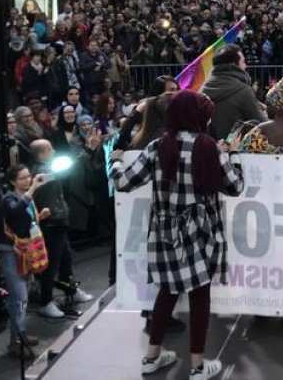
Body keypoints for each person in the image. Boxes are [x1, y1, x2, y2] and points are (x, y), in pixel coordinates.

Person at [109, 90, 244, 379]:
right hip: (201, 230)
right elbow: (235, 186)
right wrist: (233, 154)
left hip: (165, 231)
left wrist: (116, 160)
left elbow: (122, 182)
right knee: (199, 293)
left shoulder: (159, 146)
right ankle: (197, 365)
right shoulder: (209, 147)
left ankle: (152, 356)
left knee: (167, 290)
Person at [28, 140, 92, 318]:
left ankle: (71, 291)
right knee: (51, 264)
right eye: (50, 149)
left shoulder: (48, 170)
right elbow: (61, 171)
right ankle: (46, 301)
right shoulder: (40, 174)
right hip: (51, 223)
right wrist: (85, 150)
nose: (54, 151)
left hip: (60, 220)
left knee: (65, 260)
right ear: (41, 155)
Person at [0, 164, 47, 359]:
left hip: (26, 251)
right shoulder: (8, 199)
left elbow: (24, 221)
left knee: (22, 297)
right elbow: (15, 212)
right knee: (19, 298)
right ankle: (15, 341)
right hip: (11, 251)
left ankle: (20, 335)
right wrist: (32, 189)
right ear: (12, 182)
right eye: (22, 178)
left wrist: (39, 216)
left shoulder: (28, 197)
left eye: (29, 177)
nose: (28, 180)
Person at [200, 44, 265, 140]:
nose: (245, 66)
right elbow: (262, 124)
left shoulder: (203, 90)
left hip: (209, 148)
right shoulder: (243, 91)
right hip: (236, 149)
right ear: (234, 65)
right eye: (243, 62)